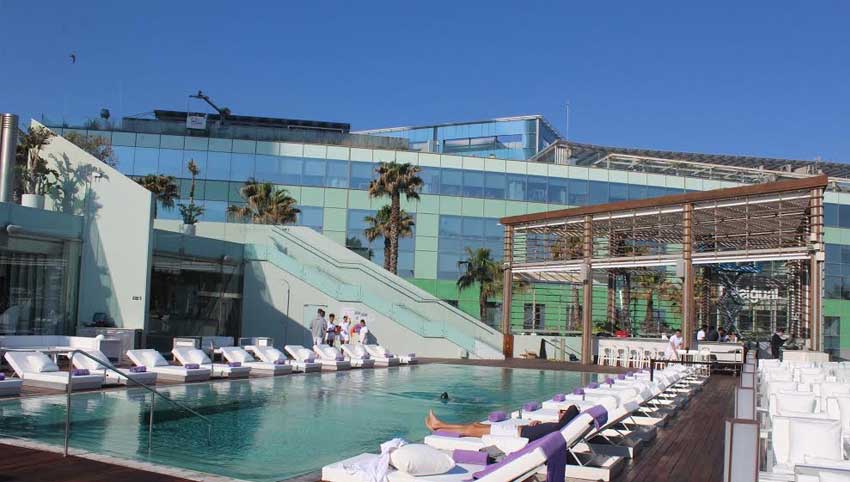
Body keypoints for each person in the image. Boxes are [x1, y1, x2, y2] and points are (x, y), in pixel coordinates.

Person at [425, 405, 580, 442]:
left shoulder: (558, 427)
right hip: (516, 430)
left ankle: (438, 425)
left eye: (563, 412)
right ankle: (439, 425)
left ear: (567, 416)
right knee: (476, 424)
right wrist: (537, 424)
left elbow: (573, 408)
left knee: (471, 429)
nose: (560, 412)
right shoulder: (556, 426)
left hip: (513, 434)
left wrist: (568, 412)